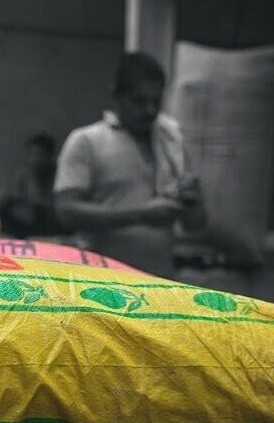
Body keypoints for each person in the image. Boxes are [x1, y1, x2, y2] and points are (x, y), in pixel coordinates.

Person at [54, 51, 205, 275]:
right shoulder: (87, 141)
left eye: (156, 101)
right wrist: (139, 215)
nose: (150, 110)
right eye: (140, 101)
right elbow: (66, 211)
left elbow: (195, 224)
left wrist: (193, 202)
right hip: (103, 283)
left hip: (159, 282)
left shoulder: (171, 142)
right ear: (115, 96)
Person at [0, 133, 62, 237]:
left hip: (52, 226)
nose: (33, 159)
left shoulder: (59, 175)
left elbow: (59, 206)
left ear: (49, 156)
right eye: (31, 154)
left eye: (38, 154)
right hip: (31, 224)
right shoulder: (25, 176)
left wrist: (32, 201)